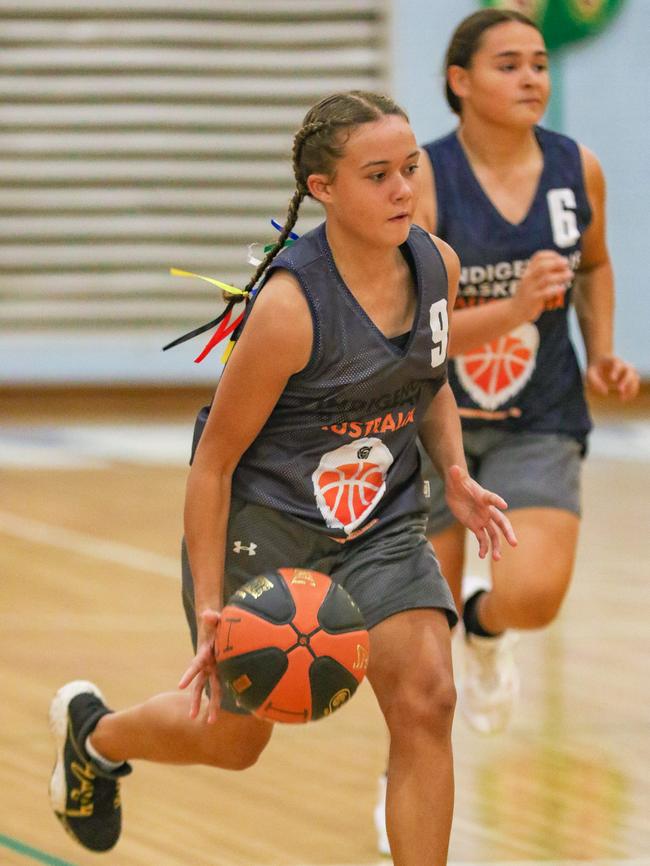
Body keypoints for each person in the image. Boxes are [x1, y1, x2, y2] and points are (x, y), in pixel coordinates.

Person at [48, 90, 516, 866]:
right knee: (235, 742)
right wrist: (208, 607)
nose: (402, 189)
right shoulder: (292, 310)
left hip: (383, 524)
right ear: (323, 189)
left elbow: (428, 379)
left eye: (409, 168)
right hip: (266, 533)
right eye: (377, 176)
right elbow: (214, 464)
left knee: (428, 699)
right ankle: (95, 736)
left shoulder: (438, 265)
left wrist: (457, 476)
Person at [373, 9, 639, 856]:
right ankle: (403, 783)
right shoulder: (427, 182)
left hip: (541, 416)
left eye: (538, 64)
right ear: (459, 81)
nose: (532, 77)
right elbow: (413, 326)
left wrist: (601, 352)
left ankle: (490, 631)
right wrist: (518, 307)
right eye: (508, 64)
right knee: (421, 655)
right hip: (433, 423)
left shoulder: (576, 170)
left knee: (534, 594)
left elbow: (593, 264)